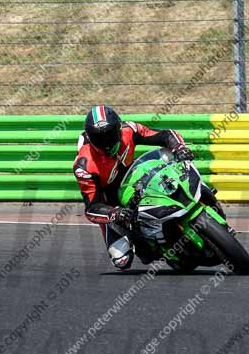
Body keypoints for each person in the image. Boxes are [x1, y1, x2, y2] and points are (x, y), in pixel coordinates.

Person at [72, 104, 223, 270]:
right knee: (121, 259)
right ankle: (156, 246)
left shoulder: (129, 130)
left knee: (170, 156)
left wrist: (180, 147)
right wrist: (115, 213)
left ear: (118, 129)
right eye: (99, 139)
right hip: (114, 205)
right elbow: (91, 208)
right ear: (90, 138)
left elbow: (165, 135)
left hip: (139, 180)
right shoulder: (84, 166)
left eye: (109, 135)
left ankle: (199, 190)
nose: (106, 143)